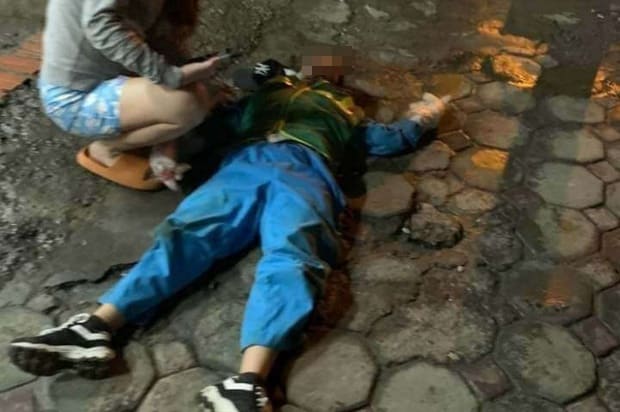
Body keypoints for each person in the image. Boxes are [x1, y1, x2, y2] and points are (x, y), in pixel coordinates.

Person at [10, 52, 449, 411]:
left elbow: (391, 139)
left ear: (340, 85)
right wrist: (169, 150)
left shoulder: (347, 112)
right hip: (245, 164)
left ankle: (248, 383)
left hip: (307, 170)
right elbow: (209, 123)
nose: (324, 68)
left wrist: (426, 115)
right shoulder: (266, 91)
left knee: (294, 256)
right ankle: (94, 327)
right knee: (185, 235)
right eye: (318, 63)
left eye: (332, 70)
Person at [39, 0, 224, 190]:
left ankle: (159, 137)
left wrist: (190, 73)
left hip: (113, 77)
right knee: (187, 102)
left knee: (202, 92)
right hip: (74, 99)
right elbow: (101, 26)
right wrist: (171, 76)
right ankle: (106, 149)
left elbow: (163, 41)